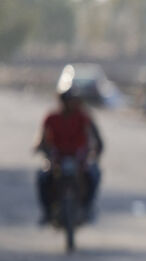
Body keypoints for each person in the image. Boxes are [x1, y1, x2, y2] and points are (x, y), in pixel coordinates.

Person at [35, 89, 104, 224]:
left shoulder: (83, 117)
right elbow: (41, 136)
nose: (70, 104)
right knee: (42, 177)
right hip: (57, 159)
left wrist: (98, 148)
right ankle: (47, 212)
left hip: (79, 159)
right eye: (67, 101)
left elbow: (95, 136)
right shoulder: (52, 117)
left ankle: (87, 207)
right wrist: (40, 147)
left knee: (94, 174)